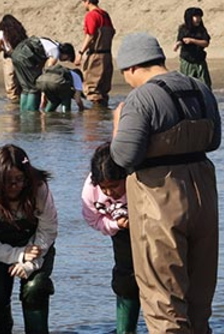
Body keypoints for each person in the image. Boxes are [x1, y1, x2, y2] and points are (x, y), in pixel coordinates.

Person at [111, 32, 220, 334]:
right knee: (199, 303)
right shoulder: (200, 88)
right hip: (204, 196)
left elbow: (123, 157)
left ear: (131, 67)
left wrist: (118, 125)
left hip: (159, 200)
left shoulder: (141, 98)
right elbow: (214, 141)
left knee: (164, 303)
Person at [0, 144, 58, 334]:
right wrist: (17, 254)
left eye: (19, 180)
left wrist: (30, 263)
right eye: (7, 181)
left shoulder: (39, 188)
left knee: (35, 288)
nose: (14, 186)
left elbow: (48, 230)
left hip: (35, 246)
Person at [82, 143, 140, 334]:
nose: (109, 193)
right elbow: (92, 219)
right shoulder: (90, 191)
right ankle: (126, 330)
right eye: (104, 188)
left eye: (114, 186)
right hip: (119, 231)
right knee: (125, 279)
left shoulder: (138, 179)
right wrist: (117, 225)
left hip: (150, 229)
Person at [79, 0, 116, 107]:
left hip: (96, 56)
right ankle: (102, 115)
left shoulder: (91, 15)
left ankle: (94, 120)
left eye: (83, 2)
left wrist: (80, 53)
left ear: (87, 1)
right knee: (103, 90)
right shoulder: (105, 15)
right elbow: (112, 32)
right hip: (107, 55)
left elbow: (90, 35)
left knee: (93, 89)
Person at [10, 35, 62, 112]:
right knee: (34, 88)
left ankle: (23, 113)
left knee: (25, 88)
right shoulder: (55, 50)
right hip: (25, 56)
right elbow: (48, 70)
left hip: (16, 54)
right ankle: (32, 113)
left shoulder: (47, 42)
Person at [36, 43, 86, 112]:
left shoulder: (62, 72)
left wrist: (42, 109)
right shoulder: (77, 77)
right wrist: (82, 109)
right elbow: (78, 100)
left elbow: (43, 98)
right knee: (66, 96)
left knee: (54, 101)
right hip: (56, 84)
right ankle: (65, 114)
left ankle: (46, 114)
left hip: (42, 81)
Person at [174, 7, 212, 88]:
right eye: (196, 17)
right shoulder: (183, 29)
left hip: (200, 60)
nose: (198, 19)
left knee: (205, 84)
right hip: (187, 60)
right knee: (187, 84)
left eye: (199, 17)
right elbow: (180, 40)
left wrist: (192, 40)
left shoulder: (202, 30)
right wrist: (177, 44)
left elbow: (206, 43)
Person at [0, 15, 28, 103]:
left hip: (10, 58)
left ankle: (13, 105)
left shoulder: (2, 33)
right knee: (21, 82)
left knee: (11, 84)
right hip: (22, 58)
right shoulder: (20, 32)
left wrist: (4, 48)